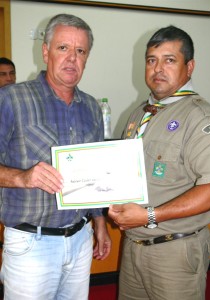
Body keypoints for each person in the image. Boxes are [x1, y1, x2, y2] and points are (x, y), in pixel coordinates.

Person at [108, 25, 210, 300]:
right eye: (152, 60)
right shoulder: (140, 113)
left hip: (174, 252)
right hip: (133, 245)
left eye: (169, 60)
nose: (158, 68)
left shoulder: (201, 118)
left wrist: (150, 215)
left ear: (190, 66)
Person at [0, 14, 111, 300]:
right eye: (63, 48)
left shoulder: (91, 107)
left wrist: (99, 223)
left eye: (80, 51)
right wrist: (23, 177)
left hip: (80, 238)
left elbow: (96, 173)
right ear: (46, 52)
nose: (72, 58)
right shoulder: (11, 99)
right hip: (31, 244)